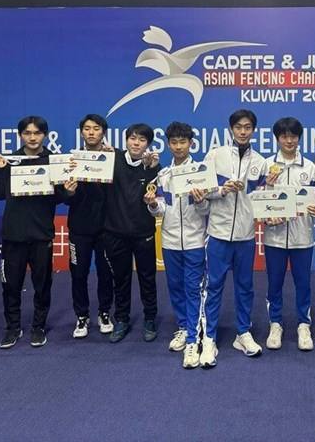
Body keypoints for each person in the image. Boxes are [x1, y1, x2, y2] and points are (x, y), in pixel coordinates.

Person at [0, 116, 71, 349]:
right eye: (27, 133)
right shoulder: (8, 162)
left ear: (44, 135)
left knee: (42, 285)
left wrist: (68, 190)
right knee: (11, 286)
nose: (32, 137)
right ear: (20, 135)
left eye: (37, 133)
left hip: (41, 234)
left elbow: (60, 196)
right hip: (13, 234)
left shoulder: (54, 161)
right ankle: (13, 328)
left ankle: (38, 327)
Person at [200, 109, 267, 368]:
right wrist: (220, 190)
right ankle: (210, 338)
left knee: (245, 287)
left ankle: (243, 333)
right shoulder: (215, 156)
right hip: (217, 234)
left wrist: (267, 187)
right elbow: (202, 191)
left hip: (245, 236)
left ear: (253, 130)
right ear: (230, 129)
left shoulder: (260, 162)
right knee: (213, 287)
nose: (243, 131)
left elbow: (263, 201)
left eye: (248, 127)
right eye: (238, 127)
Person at [146, 122, 209, 369]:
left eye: (183, 142)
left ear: (191, 143)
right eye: (174, 142)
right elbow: (160, 209)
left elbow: (207, 210)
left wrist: (200, 200)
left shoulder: (201, 171)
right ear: (168, 144)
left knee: (193, 288)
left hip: (195, 240)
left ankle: (194, 339)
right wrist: (152, 204)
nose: (179, 146)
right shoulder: (163, 175)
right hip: (170, 241)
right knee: (175, 287)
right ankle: (183, 327)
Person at [262, 117, 315, 352]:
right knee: (274, 284)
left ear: (299, 138)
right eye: (284, 136)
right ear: (277, 138)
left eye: (293, 136)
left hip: (302, 236)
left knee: (303, 283)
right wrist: (267, 211)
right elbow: (258, 200)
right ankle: (275, 324)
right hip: (275, 237)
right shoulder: (267, 166)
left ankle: (303, 325)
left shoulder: (310, 167)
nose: (289, 140)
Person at [103, 123, 161, 344]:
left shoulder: (153, 166)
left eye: (142, 140)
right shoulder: (112, 159)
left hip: (143, 231)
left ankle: (150, 318)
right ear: (126, 140)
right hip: (115, 231)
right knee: (121, 278)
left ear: (148, 144)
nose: (136, 143)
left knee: (147, 278)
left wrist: (152, 169)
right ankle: (122, 319)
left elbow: (156, 196)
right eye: (133, 138)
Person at [66, 114, 114, 339]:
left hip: (107, 228)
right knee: (79, 273)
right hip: (79, 228)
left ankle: (104, 312)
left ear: (103, 131)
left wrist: (115, 162)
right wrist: (70, 191)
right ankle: (81, 316)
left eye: (96, 128)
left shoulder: (113, 157)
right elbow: (64, 196)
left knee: (106, 273)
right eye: (87, 128)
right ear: (82, 132)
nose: (92, 132)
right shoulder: (72, 160)